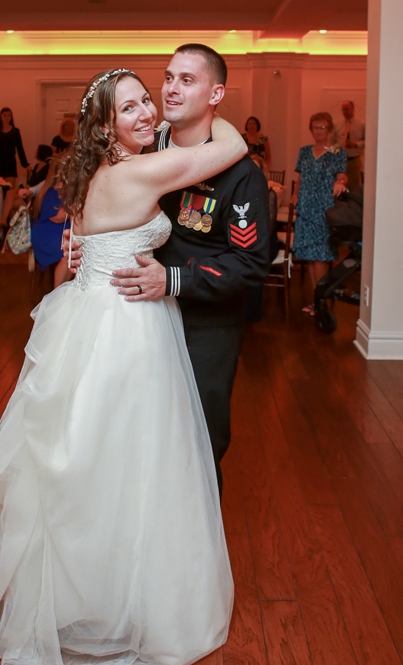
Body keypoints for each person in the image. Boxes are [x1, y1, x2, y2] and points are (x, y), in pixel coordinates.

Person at [0, 67, 246, 665]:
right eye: (133, 108)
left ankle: (83, 590)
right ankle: (127, 597)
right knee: (136, 460)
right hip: (128, 328)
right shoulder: (141, 171)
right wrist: (197, 110)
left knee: (92, 460)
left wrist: (79, 250)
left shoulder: (91, 175)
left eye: (150, 99)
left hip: (89, 317)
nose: (148, 112)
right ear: (107, 126)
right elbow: (232, 147)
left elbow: (75, 255)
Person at [96, 45, 271, 493]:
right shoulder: (143, 146)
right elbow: (104, 202)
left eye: (187, 80)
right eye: (169, 76)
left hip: (205, 323)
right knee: (139, 427)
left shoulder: (240, 172)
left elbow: (249, 263)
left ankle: (194, 542)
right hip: (140, 317)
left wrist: (172, 280)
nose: (171, 88)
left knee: (200, 432)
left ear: (216, 94)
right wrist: (83, 245)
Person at [293, 112, 348, 313]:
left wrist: (339, 182)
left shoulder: (336, 151)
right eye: (315, 127)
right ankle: (317, 301)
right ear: (311, 129)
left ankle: (321, 302)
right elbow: (300, 178)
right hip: (305, 208)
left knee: (320, 258)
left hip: (324, 209)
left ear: (330, 129)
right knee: (309, 258)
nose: (319, 131)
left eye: (323, 127)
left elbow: (343, 174)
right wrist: (295, 195)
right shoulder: (304, 151)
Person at [29, 154, 68, 288]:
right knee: (69, 254)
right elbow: (59, 218)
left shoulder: (65, 191)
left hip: (61, 231)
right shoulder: (50, 192)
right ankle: (58, 295)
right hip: (47, 235)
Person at [0, 107, 28, 179]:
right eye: (4, 115)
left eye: (9, 115)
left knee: (9, 187)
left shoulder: (15, 131)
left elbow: (20, 148)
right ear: (0, 117)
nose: (7, 117)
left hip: (10, 162)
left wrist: (25, 164)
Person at [340, 99, 365, 191]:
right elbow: (331, 143)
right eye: (343, 109)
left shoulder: (361, 125)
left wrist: (355, 144)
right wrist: (338, 149)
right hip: (339, 161)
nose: (344, 112)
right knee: (340, 187)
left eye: (347, 109)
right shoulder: (337, 125)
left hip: (354, 161)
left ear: (353, 109)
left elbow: (368, 141)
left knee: (354, 188)